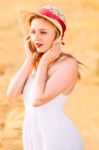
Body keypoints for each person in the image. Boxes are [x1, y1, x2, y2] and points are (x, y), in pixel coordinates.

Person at [7, 5, 84, 150]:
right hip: (34, 137)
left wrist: (43, 62)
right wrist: (30, 59)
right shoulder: (36, 65)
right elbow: (12, 93)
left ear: (58, 37)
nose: (36, 37)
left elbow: (37, 100)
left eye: (43, 32)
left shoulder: (68, 64)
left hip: (57, 138)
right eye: (33, 32)